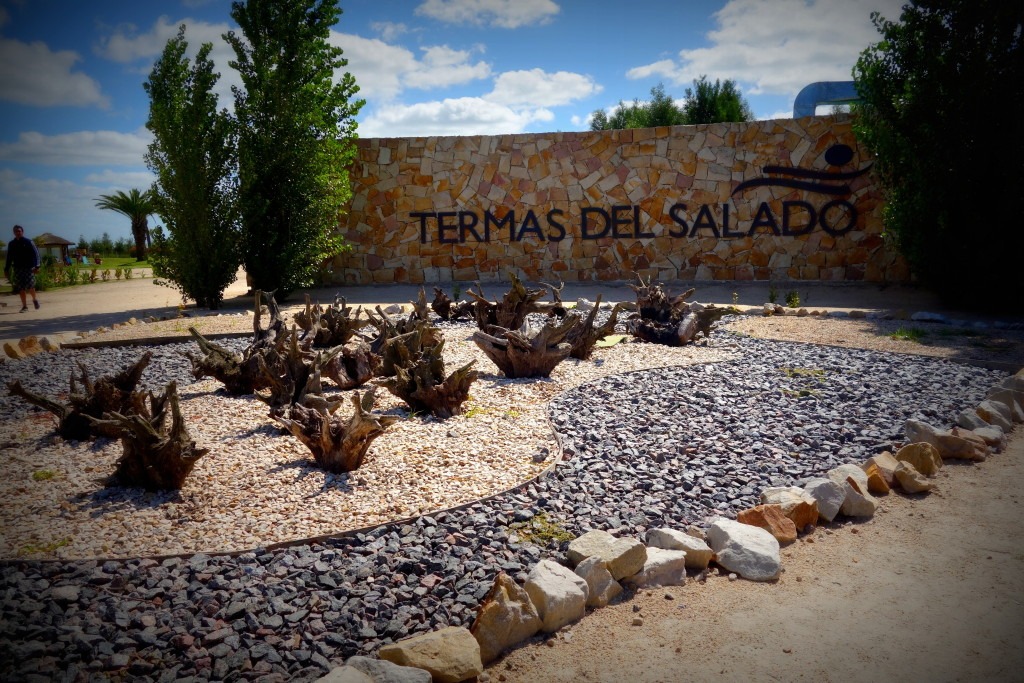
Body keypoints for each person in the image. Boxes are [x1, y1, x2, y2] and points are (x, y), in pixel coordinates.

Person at [4, 224, 40, 312]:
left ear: (22, 232)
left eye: (19, 231)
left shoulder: (29, 242)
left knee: (31, 286)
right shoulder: (11, 244)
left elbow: (37, 254)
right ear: (13, 233)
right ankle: (25, 306)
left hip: (29, 268)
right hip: (18, 268)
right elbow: (9, 257)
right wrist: (6, 269)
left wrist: (37, 266)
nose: (18, 233)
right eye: (16, 231)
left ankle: (34, 299)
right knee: (21, 288)